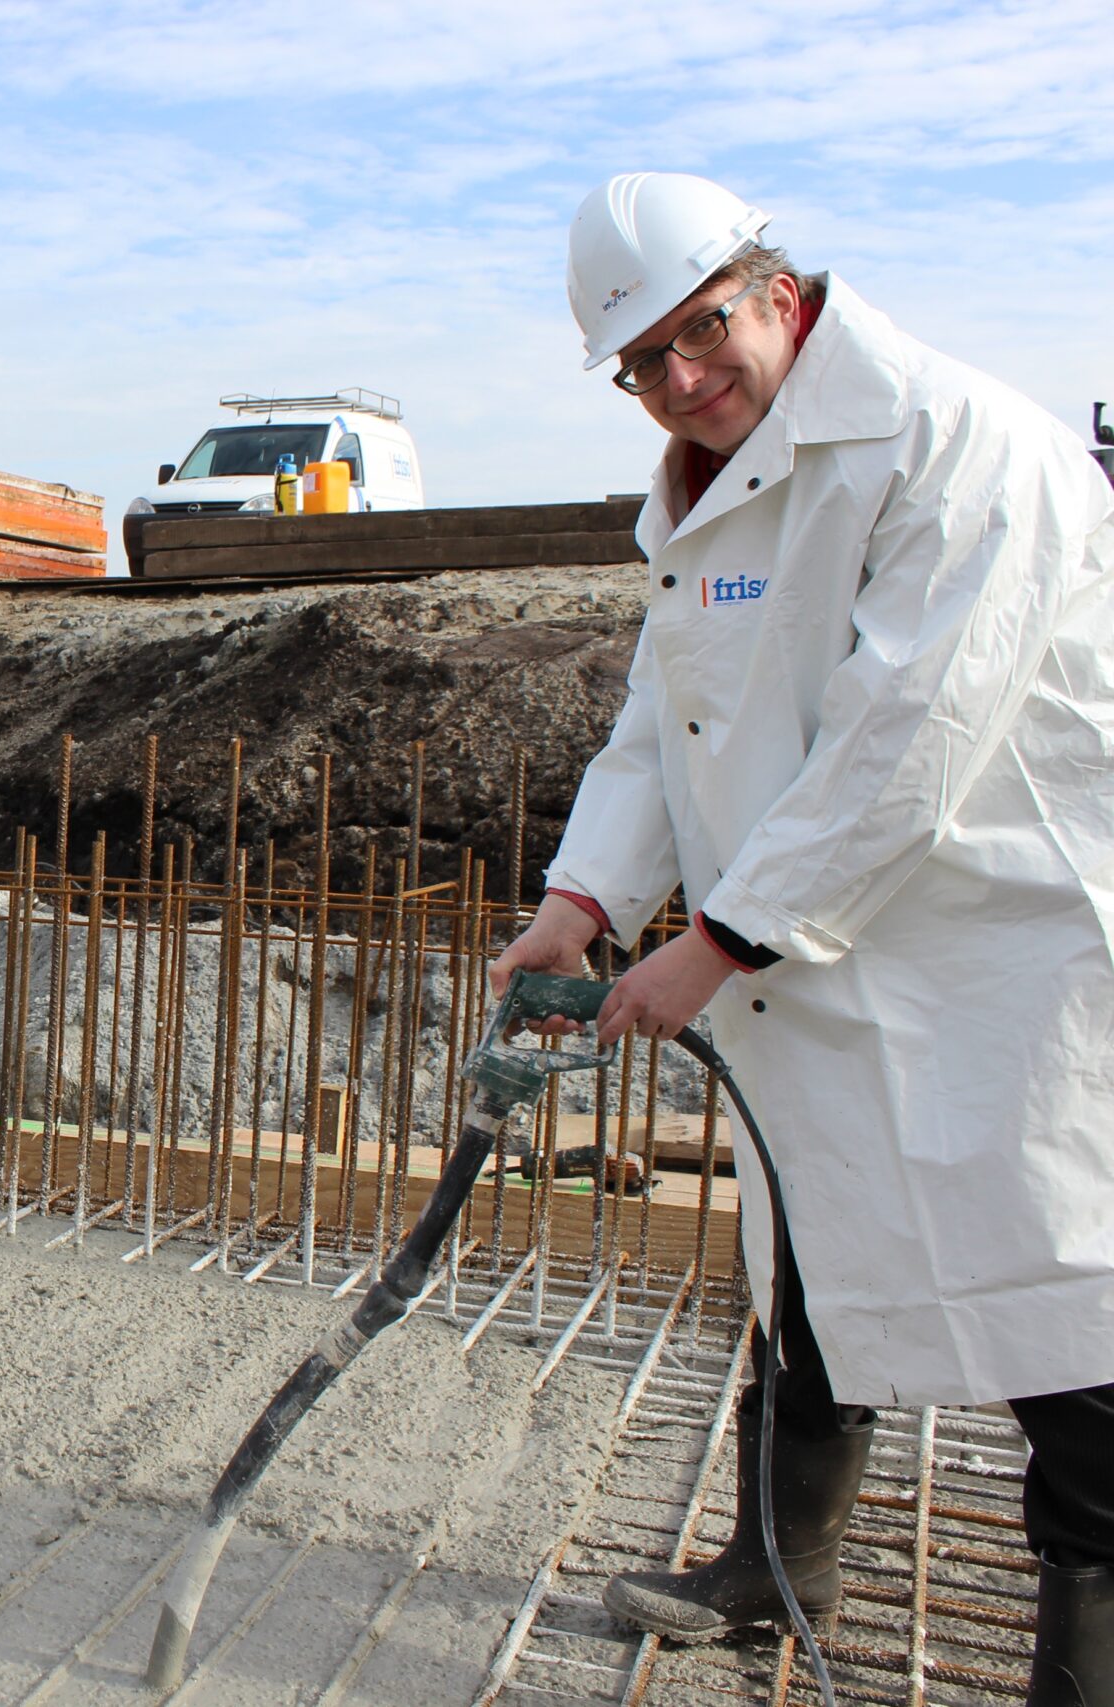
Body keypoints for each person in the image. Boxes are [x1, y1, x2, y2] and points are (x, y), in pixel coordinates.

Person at [492, 172, 1114, 1704]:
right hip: (823, 958)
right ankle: (780, 1568)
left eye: (702, 331)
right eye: (643, 362)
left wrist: (724, 938)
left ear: (773, 290)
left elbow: (918, 734)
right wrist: (584, 896)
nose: (683, 379)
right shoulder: (710, 487)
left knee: (1069, 1327)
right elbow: (667, 720)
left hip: (998, 958)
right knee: (816, 1266)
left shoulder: (955, 441)